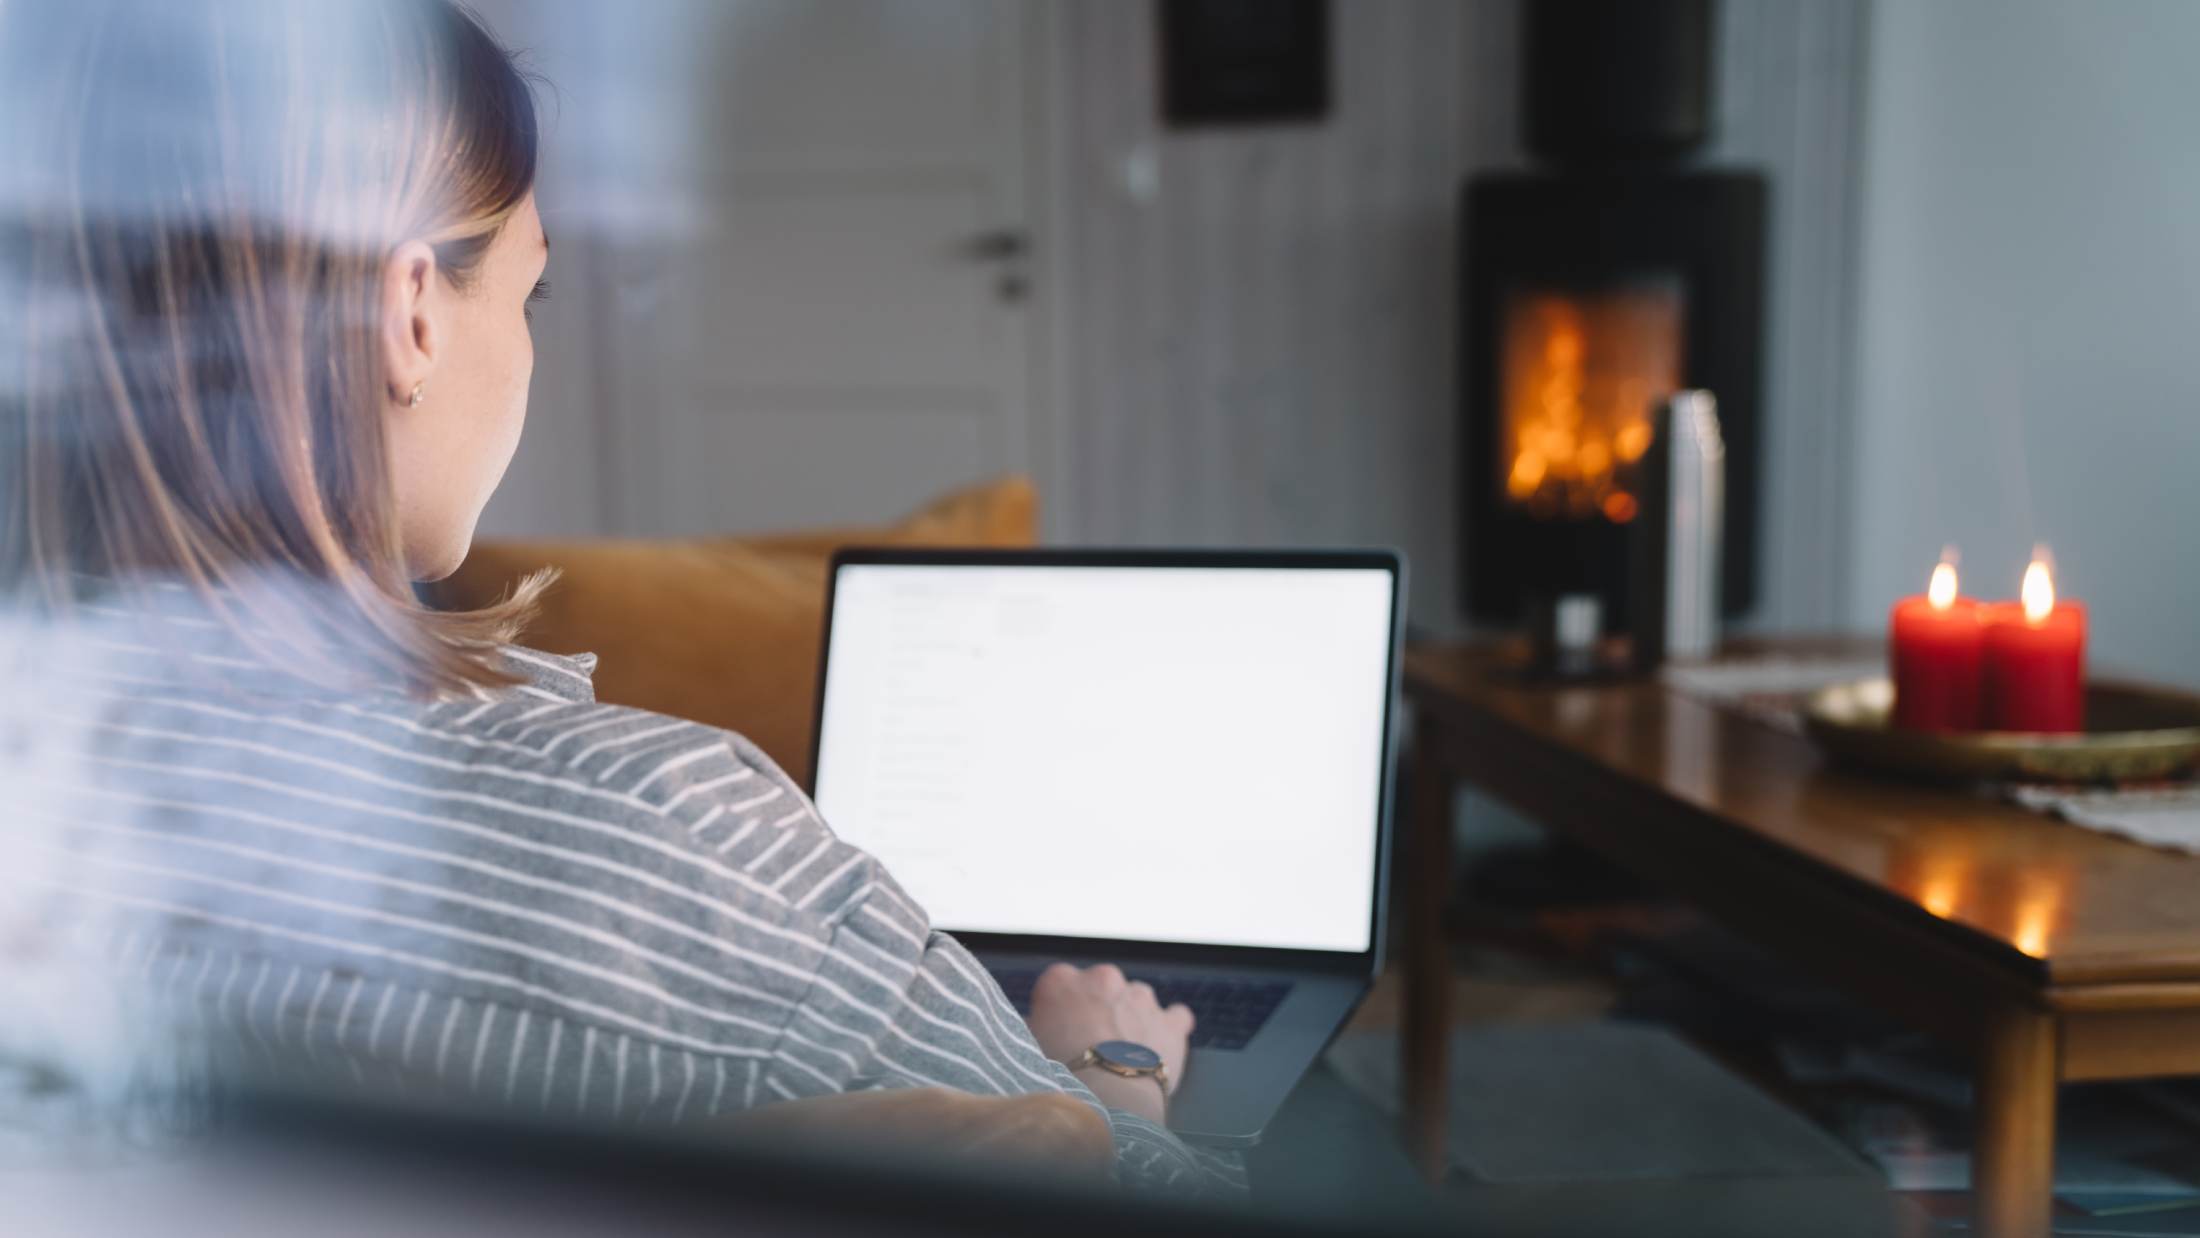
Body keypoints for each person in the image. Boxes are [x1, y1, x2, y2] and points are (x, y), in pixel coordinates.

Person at [0, 0, 1236, 1197]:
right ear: (410, 315)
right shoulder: (676, 838)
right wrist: (1109, 1079)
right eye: (528, 291)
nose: (528, 343)